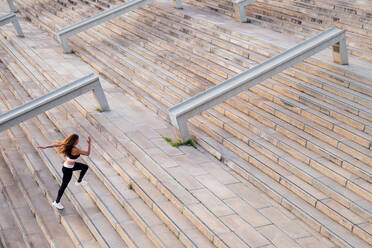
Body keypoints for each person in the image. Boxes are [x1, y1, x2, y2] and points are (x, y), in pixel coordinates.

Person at [37, 134, 91, 210]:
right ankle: (56, 202)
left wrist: (46, 147)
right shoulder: (75, 150)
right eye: (78, 140)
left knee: (85, 167)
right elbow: (87, 153)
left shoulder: (66, 145)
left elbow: (55, 145)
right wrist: (89, 143)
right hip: (67, 170)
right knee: (64, 186)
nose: (78, 141)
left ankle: (79, 180)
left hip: (69, 166)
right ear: (75, 141)